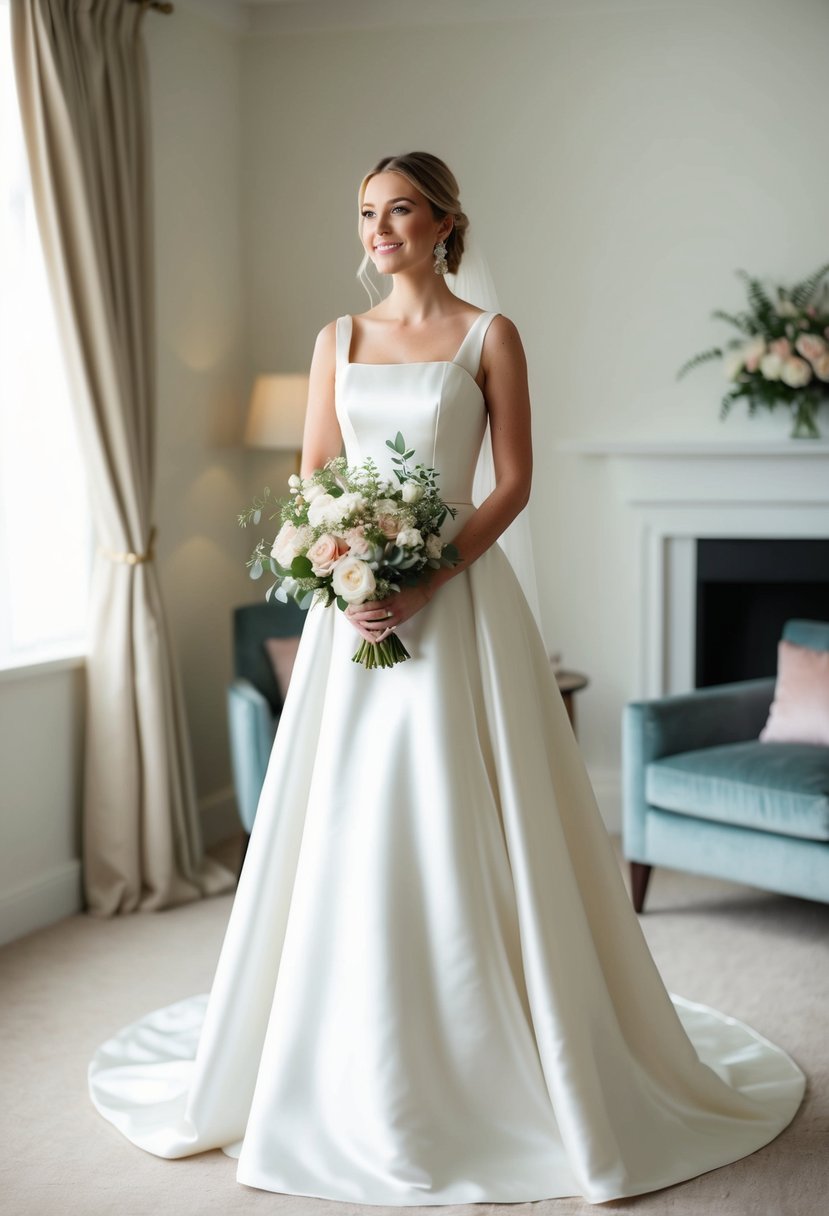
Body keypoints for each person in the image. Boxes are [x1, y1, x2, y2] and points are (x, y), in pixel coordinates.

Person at [89, 151, 805, 1206]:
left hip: (458, 604)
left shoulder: (488, 336)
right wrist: (338, 562)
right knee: (349, 819)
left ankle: (499, 1045)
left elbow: (511, 482)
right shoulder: (337, 339)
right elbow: (312, 481)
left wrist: (424, 577)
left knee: (468, 809)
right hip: (353, 611)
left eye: (400, 211)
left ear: (443, 223)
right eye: (367, 214)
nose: (379, 229)